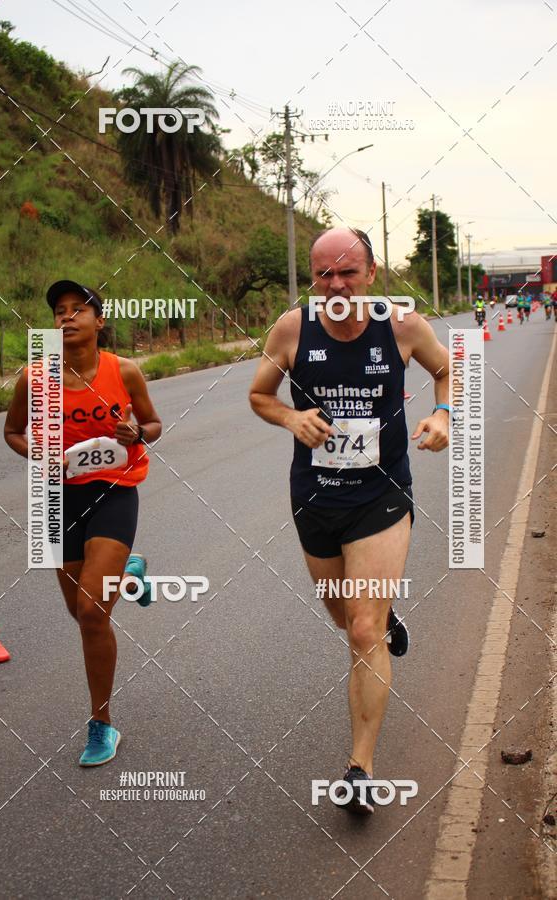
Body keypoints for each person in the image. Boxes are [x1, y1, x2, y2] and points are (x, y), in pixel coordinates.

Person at [249, 227, 450, 815]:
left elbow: (446, 371)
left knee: (362, 629)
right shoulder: (291, 329)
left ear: (371, 273)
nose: (335, 286)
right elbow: (259, 396)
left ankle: (360, 767)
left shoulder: (403, 327)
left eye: (348, 273)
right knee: (345, 617)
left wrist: (441, 415)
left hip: (380, 496)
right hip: (315, 497)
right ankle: (383, 624)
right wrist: (290, 418)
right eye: (323, 275)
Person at [4, 280, 162, 765]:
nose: (67, 318)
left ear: (99, 319)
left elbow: (153, 427)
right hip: (56, 499)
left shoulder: (125, 371)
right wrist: (39, 453)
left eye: (78, 310)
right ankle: (127, 569)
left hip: (113, 490)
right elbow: (12, 431)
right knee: (80, 611)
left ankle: (102, 724)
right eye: (59, 311)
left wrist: (136, 431)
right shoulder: (35, 378)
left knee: (93, 612)